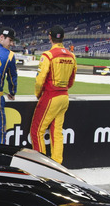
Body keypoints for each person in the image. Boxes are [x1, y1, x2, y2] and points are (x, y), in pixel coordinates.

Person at [30, 25, 77, 165]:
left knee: (37, 130)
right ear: (62, 37)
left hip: (51, 96)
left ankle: (41, 164)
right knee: (57, 132)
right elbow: (71, 80)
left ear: (49, 37)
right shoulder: (71, 56)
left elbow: (40, 80)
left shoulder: (48, 55)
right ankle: (57, 163)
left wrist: (38, 94)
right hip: (64, 96)